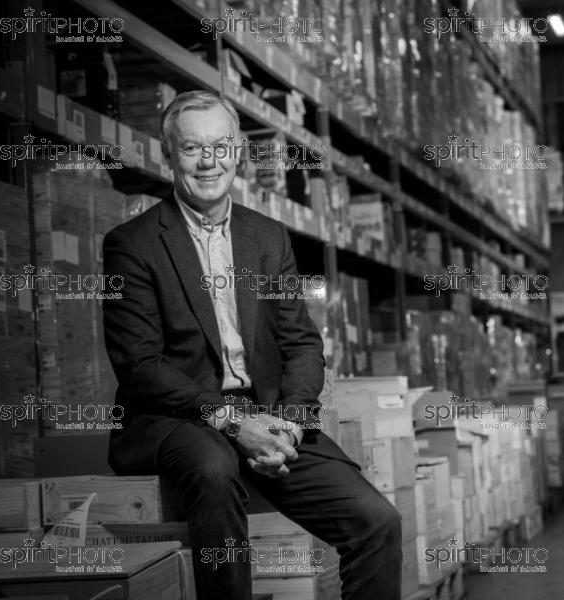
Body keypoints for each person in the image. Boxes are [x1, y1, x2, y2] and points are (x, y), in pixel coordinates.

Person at [103, 90, 401, 600]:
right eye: (192, 148)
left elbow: (302, 342)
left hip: (267, 413)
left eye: (220, 146)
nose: (208, 161)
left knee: (377, 521)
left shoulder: (267, 238)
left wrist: (290, 416)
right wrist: (234, 423)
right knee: (215, 467)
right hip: (178, 415)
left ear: (239, 151)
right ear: (169, 153)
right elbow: (141, 365)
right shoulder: (133, 243)